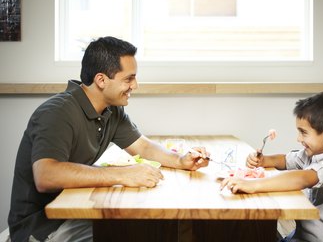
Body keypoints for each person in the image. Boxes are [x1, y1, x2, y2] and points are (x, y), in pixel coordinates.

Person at [8, 36, 210, 242]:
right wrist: (122, 175)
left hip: (76, 214)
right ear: (101, 80)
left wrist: (181, 160)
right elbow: (46, 175)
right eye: (128, 79)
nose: (135, 85)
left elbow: (143, 147)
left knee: (152, 227)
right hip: (42, 228)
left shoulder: (111, 110)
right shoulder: (57, 112)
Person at [221, 91, 323, 242]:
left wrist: (253, 185)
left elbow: (303, 179)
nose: (298, 138)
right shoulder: (314, 152)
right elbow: (286, 160)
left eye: (303, 133)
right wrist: (264, 161)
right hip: (303, 235)